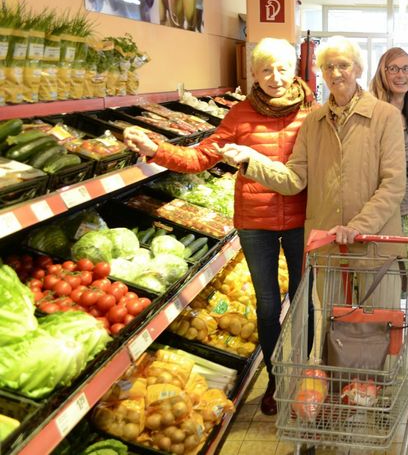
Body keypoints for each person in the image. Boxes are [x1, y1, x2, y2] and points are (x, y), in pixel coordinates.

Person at [122, 37, 315, 416]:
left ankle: (304, 378)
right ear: (253, 75)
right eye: (265, 70)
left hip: (302, 219)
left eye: (282, 68)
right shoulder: (240, 114)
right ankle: (275, 379)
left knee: (305, 299)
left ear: (294, 70)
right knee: (267, 303)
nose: (274, 78)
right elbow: (200, 157)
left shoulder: (312, 113)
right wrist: (154, 148)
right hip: (255, 222)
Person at [219, 35, 406, 306]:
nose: (336, 73)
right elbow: (294, 179)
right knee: (333, 326)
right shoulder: (313, 122)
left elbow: (393, 185)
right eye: (328, 67)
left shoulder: (385, 117)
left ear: (358, 69)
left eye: (343, 65)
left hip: (375, 243)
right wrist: (253, 161)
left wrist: (357, 227)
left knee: (378, 325)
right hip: (328, 244)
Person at [369, 47, 408, 290]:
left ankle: (396, 328)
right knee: (376, 281)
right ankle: (375, 328)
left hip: (405, 211)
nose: (400, 74)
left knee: (403, 281)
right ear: (382, 73)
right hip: (376, 212)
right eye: (393, 68)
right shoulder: (371, 113)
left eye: (406, 68)